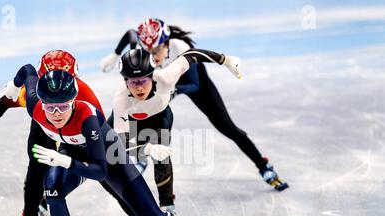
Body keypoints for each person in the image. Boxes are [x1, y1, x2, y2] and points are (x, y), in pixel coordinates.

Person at [3, 66, 223, 216]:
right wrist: (12, 88)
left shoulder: (87, 117)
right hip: (73, 153)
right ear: (40, 102)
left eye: (63, 106)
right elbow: (28, 71)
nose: (56, 113)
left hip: (110, 157)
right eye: (50, 107)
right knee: (52, 188)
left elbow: (101, 172)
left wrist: (64, 161)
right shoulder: (34, 106)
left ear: (73, 101)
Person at [0, 50, 171, 216]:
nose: (56, 94)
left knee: (110, 182)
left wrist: (139, 149)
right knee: (37, 167)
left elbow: (107, 140)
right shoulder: (38, 96)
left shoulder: (86, 98)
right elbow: (6, 101)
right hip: (48, 126)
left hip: (79, 133)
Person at [100, 18, 288, 191]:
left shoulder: (179, 47)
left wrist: (171, 91)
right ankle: (141, 155)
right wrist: (114, 55)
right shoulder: (143, 46)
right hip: (158, 84)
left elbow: (194, 84)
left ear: (166, 43)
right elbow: (130, 34)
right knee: (127, 111)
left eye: (156, 51)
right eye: (148, 51)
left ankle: (263, 165)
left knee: (227, 127)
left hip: (192, 84)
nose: (152, 56)